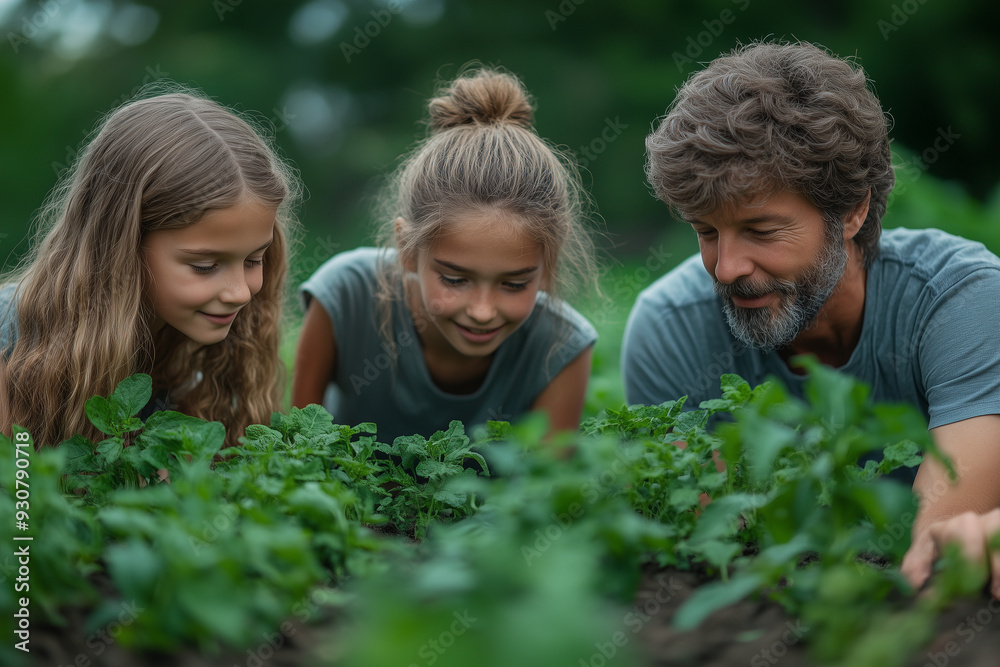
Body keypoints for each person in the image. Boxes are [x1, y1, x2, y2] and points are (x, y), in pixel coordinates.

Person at [621, 41, 1000, 588]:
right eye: (706, 231)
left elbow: (932, 559)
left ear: (852, 210)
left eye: (761, 231)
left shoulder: (958, 300)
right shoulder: (669, 329)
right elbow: (714, 562)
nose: (725, 268)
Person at [293, 67, 598, 443]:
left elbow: (545, 492)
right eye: (454, 279)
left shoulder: (563, 345)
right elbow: (298, 453)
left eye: (514, 283)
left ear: (549, 263)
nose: (483, 311)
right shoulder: (346, 295)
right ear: (407, 249)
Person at [0, 88, 300, 448]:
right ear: (123, 246)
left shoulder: (205, 352)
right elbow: (18, 498)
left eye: (254, 260)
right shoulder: (14, 346)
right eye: (205, 266)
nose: (239, 293)